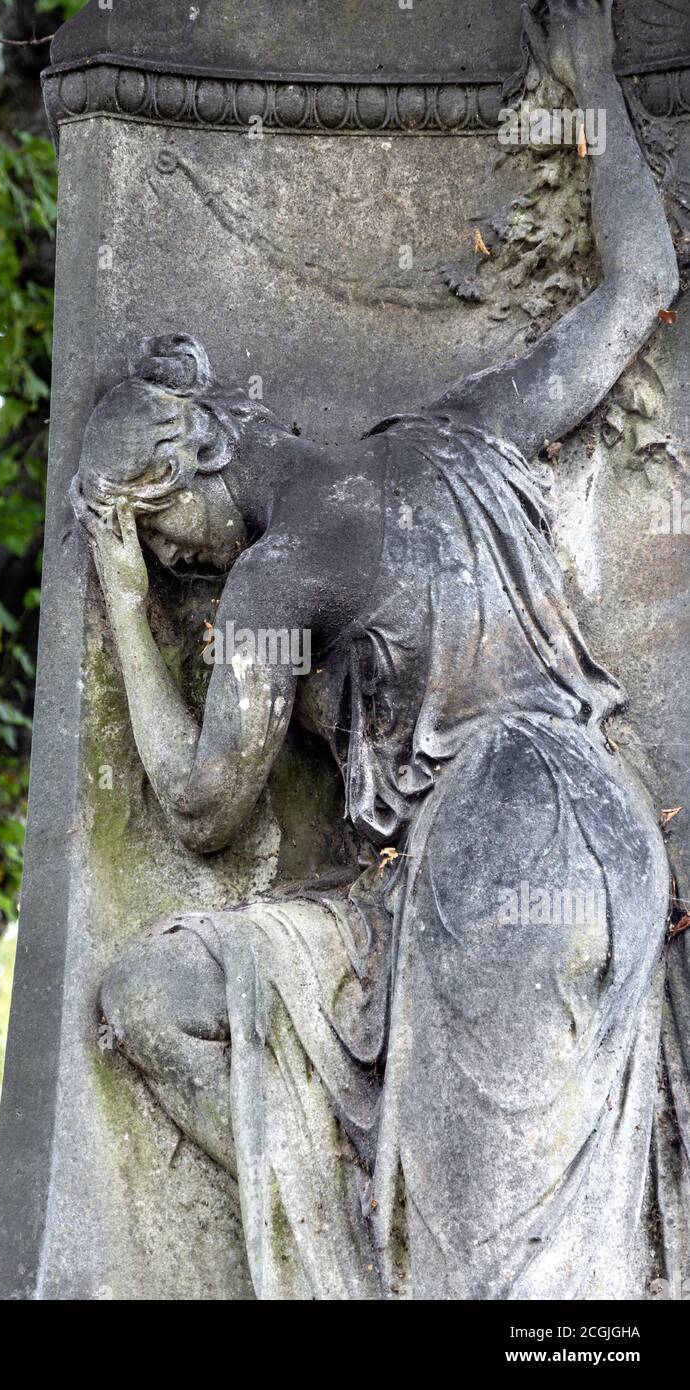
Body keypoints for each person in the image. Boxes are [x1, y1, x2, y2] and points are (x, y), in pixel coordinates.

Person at [70, 0, 684, 1298]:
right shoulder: (458, 430)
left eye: (160, 527)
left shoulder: (277, 576)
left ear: (196, 466)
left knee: (512, 1282)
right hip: (591, 834)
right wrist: (588, 84)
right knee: (155, 993)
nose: (180, 563)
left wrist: (123, 596)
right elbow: (639, 285)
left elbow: (198, 806)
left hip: (490, 844)